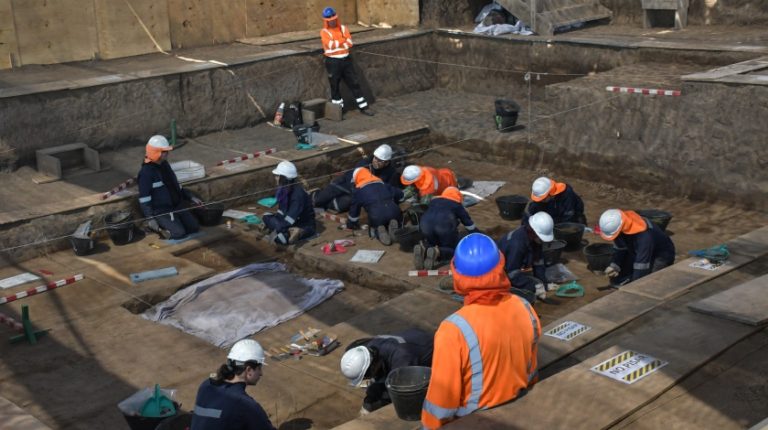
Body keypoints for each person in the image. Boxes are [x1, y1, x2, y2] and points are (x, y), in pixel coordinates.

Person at [421, 234, 541, 429]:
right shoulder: (524, 307)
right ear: (500, 267)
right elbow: (532, 372)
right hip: (519, 404)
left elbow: (441, 404)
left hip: (474, 420)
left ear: (457, 275)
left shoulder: (452, 330)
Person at [340, 328, 433, 414]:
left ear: (372, 365)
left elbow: (397, 391)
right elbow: (375, 379)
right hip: (412, 338)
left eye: (366, 376)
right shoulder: (363, 350)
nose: (366, 379)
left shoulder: (403, 358)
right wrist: (370, 398)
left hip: (430, 352)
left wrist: (375, 403)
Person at [190, 339, 276, 430]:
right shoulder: (245, 405)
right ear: (249, 370)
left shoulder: (206, 385)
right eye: (259, 368)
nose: (261, 373)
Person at [138, 135, 201, 239]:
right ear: (155, 153)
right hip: (161, 211)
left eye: (166, 151)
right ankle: (155, 227)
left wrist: (191, 197)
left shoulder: (165, 165)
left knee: (194, 228)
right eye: (164, 151)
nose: (167, 153)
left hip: (177, 206)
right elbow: (144, 199)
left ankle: (174, 222)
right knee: (179, 233)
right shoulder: (146, 173)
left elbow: (176, 186)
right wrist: (150, 219)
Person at [598, 209, 675, 286]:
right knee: (622, 274)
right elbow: (620, 248)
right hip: (638, 250)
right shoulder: (622, 225)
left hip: (661, 256)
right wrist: (614, 265)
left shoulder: (644, 236)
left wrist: (634, 287)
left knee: (651, 282)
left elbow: (641, 265)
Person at [313, 144, 398, 212]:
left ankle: (327, 206)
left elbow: (387, 188)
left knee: (339, 206)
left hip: (356, 193)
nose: (376, 161)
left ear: (387, 162)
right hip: (344, 183)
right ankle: (315, 195)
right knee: (319, 200)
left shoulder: (390, 173)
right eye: (375, 158)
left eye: (380, 160)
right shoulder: (364, 163)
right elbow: (354, 178)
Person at [320, 7, 373, 116]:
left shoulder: (343, 28)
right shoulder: (324, 32)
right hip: (333, 62)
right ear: (326, 21)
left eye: (334, 19)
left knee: (354, 83)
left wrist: (337, 43)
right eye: (329, 21)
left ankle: (363, 107)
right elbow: (329, 45)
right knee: (335, 86)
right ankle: (339, 110)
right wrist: (342, 41)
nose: (332, 22)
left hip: (346, 60)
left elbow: (349, 43)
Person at [414, 187, 478, 270]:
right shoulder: (456, 205)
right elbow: (468, 223)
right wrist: (477, 233)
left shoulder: (433, 201)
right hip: (443, 225)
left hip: (425, 224)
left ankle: (424, 248)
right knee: (453, 249)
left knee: (432, 243)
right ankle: (438, 252)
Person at [498, 212, 557, 303]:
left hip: (512, 267)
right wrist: (534, 286)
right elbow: (512, 274)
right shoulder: (517, 245)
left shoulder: (534, 238)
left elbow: (538, 262)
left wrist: (543, 283)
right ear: (533, 231)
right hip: (499, 273)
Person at [261, 161, 316, 245]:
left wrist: (277, 226)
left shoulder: (297, 195)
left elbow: (289, 219)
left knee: (279, 238)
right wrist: (274, 221)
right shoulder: (284, 190)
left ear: (284, 178)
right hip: (290, 222)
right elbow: (281, 212)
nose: (275, 178)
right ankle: (285, 230)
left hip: (303, 224)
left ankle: (299, 232)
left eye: (277, 176)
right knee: (266, 216)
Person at [346, 167, 404, 246]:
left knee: (377, 221)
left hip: (376, 215)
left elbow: (354, 210)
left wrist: (351, 224)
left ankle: (379, 230)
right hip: (394, 211)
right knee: (394, 216)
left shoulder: (358, 191)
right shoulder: (383, 184)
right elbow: (400, 194)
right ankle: (395, 226)